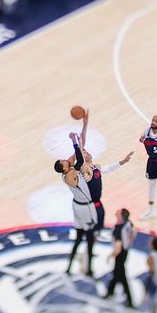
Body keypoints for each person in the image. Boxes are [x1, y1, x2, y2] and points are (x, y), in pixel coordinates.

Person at [54, 109, 97, 275]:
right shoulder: (69, 175)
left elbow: (81, 147)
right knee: (90, 237)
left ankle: (69, 267)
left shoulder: (68, 168)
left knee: (79, 238)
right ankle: (89, 268)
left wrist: (85, 124)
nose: (66, 159)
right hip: (85, 207)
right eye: (63, 161)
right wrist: (74, 141)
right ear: (63, 168)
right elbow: (79, 158)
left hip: (77, 205)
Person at [104, 208, 136, 308]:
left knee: (122, 276)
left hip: (120, 253)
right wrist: (129, 243)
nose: (116, 213)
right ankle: (110, 291)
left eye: (118, 213)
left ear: (121, 217)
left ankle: (130, 301)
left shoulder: (118, 228)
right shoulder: (129, 223)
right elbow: (134, 232)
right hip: (126, 251)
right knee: (116, 273)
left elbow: (117, 247)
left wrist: (110, 256)